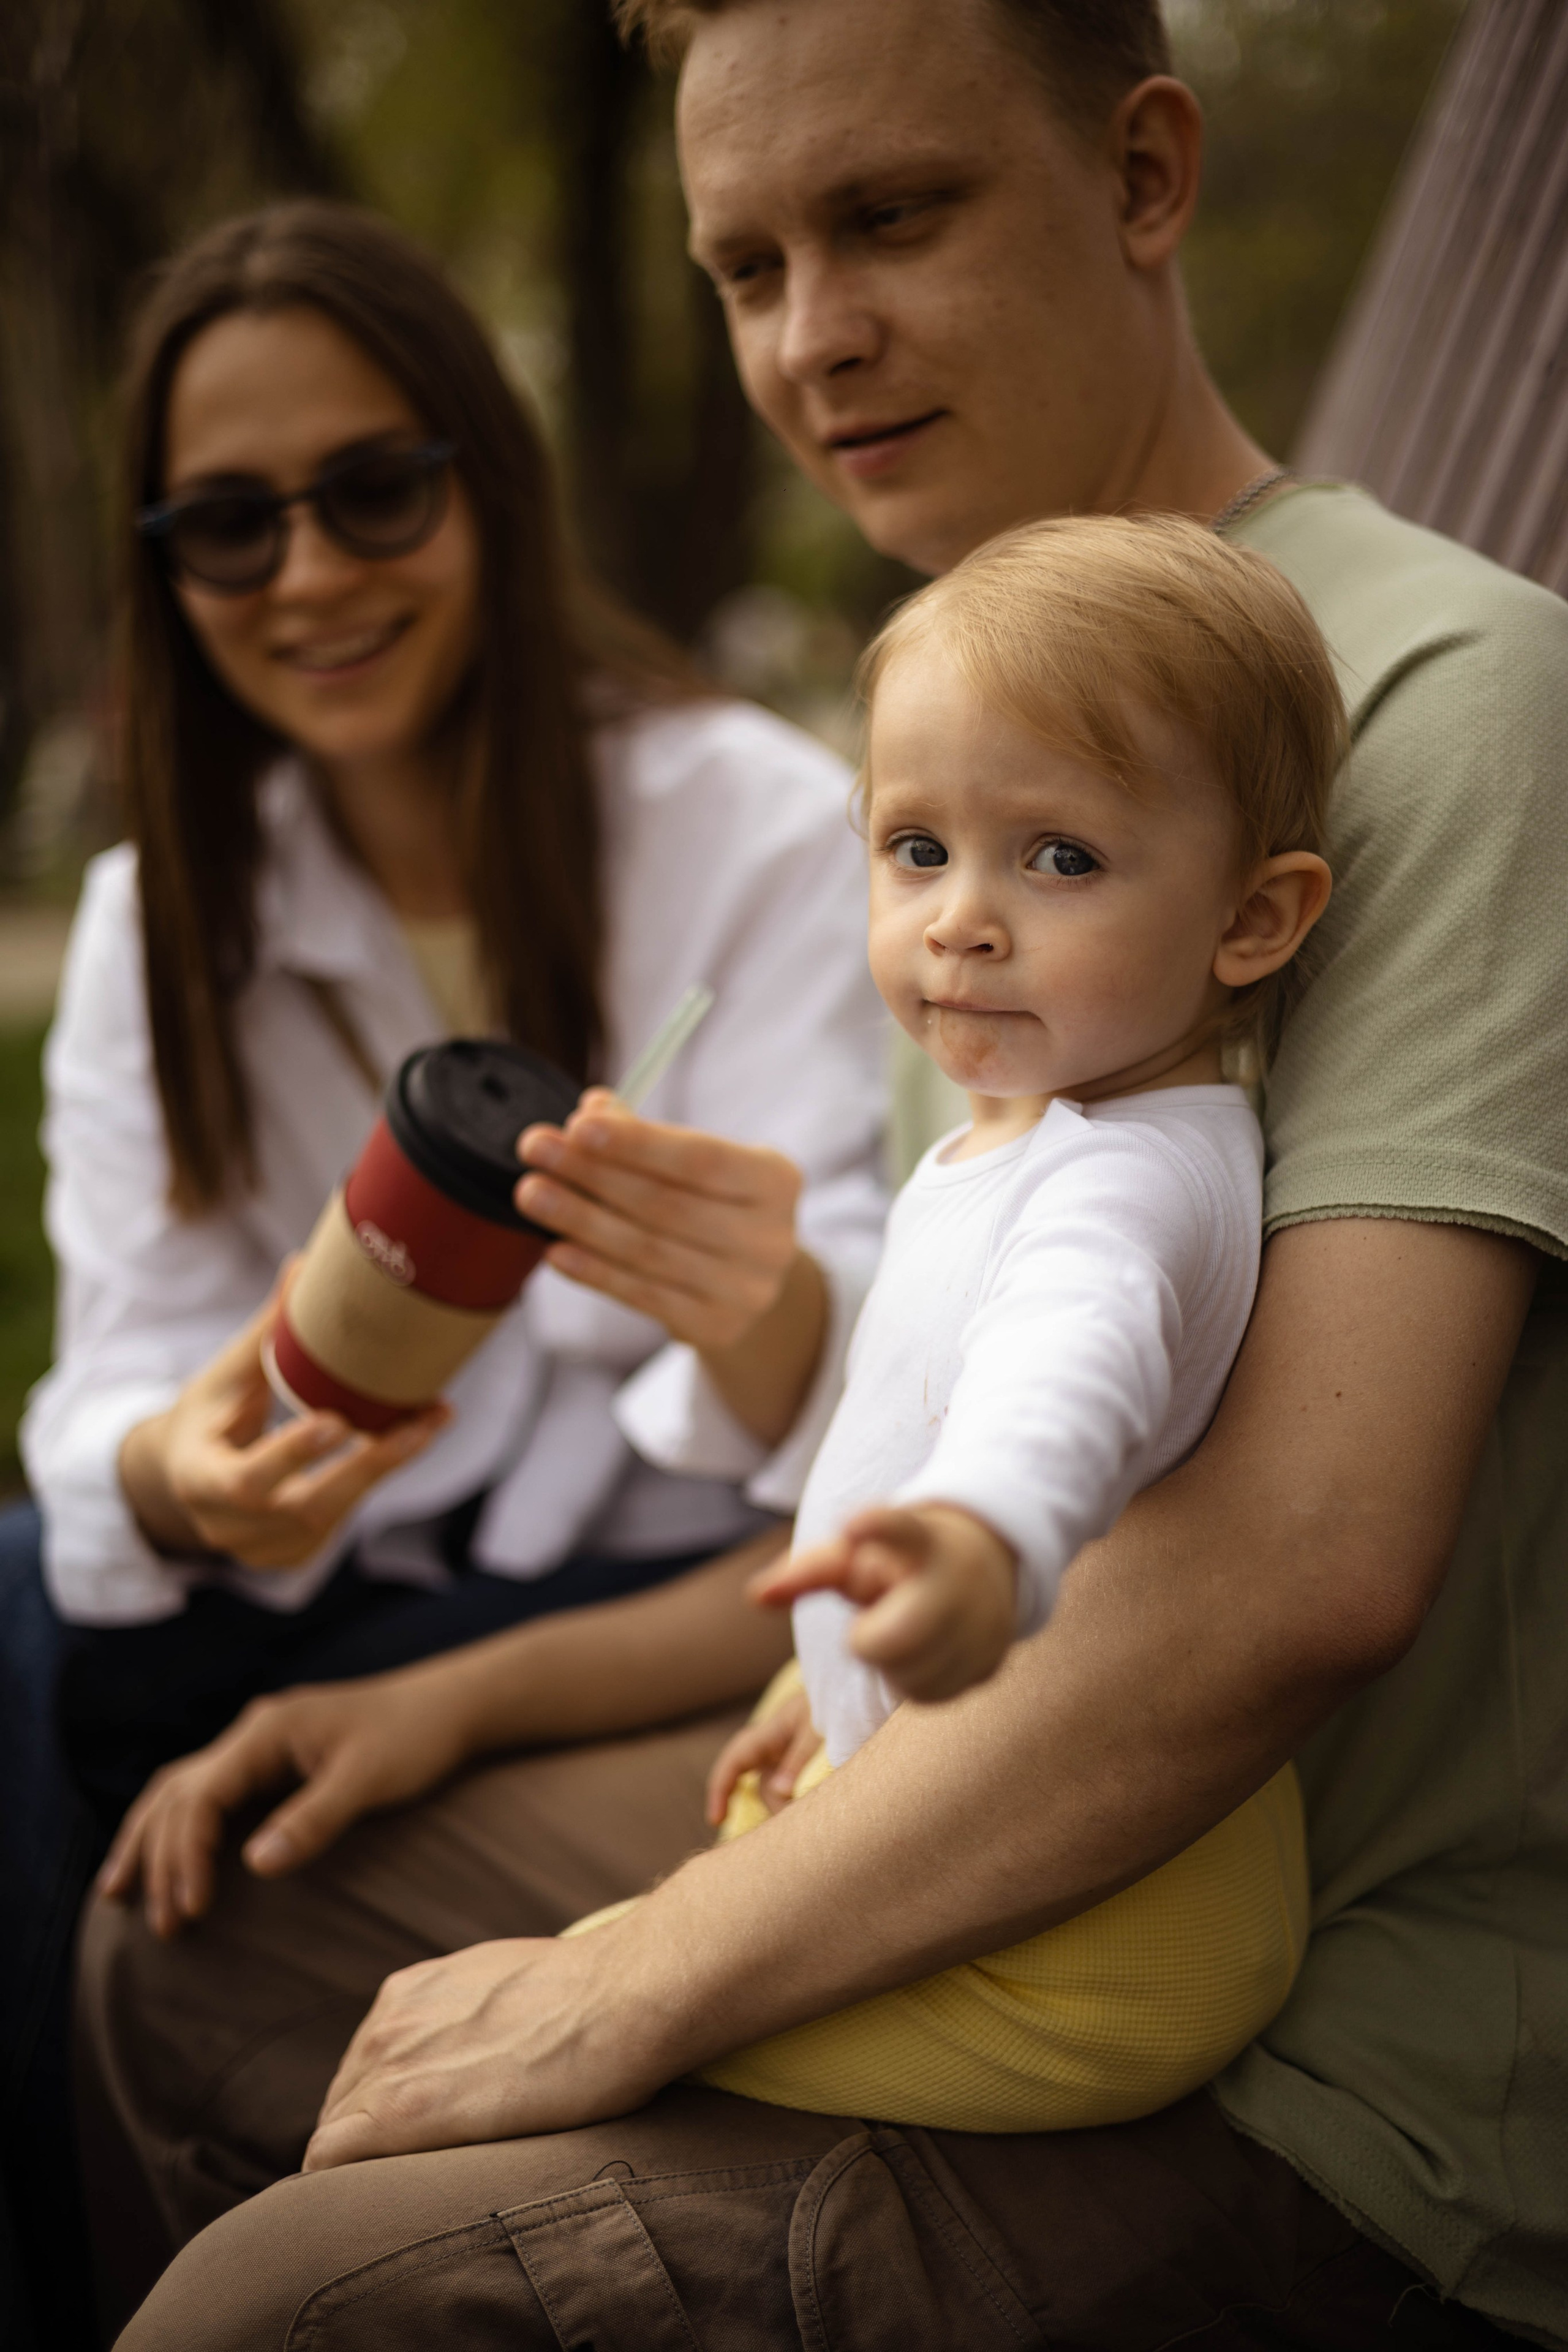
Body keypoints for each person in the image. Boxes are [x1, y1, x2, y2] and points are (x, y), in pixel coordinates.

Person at [86, 4, 1568, 2345]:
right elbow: (915, 1508)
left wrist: (625, 1984)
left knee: (276, 2304)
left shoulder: (1446, 701)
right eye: (745, 266)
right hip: (985, 1805)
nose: (811, 342)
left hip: (1309, 2060)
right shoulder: (981, 811)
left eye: (891, 219)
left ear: (1150, 175)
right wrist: (480, 1698)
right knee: (197, 1920)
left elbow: (1280, 1578)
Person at [627, 512, 1340, 2134]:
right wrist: (822, 1682)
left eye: (1062, 857)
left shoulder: (1121, 1182)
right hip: (1016, 1838)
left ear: (1252, 920)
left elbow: (1058, 1385)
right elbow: (915, 1416)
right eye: (916, 849)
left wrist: (984, 1538)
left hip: (1097, 1931)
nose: (961, 919)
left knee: (599, 2004)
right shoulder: (1017, 1133)